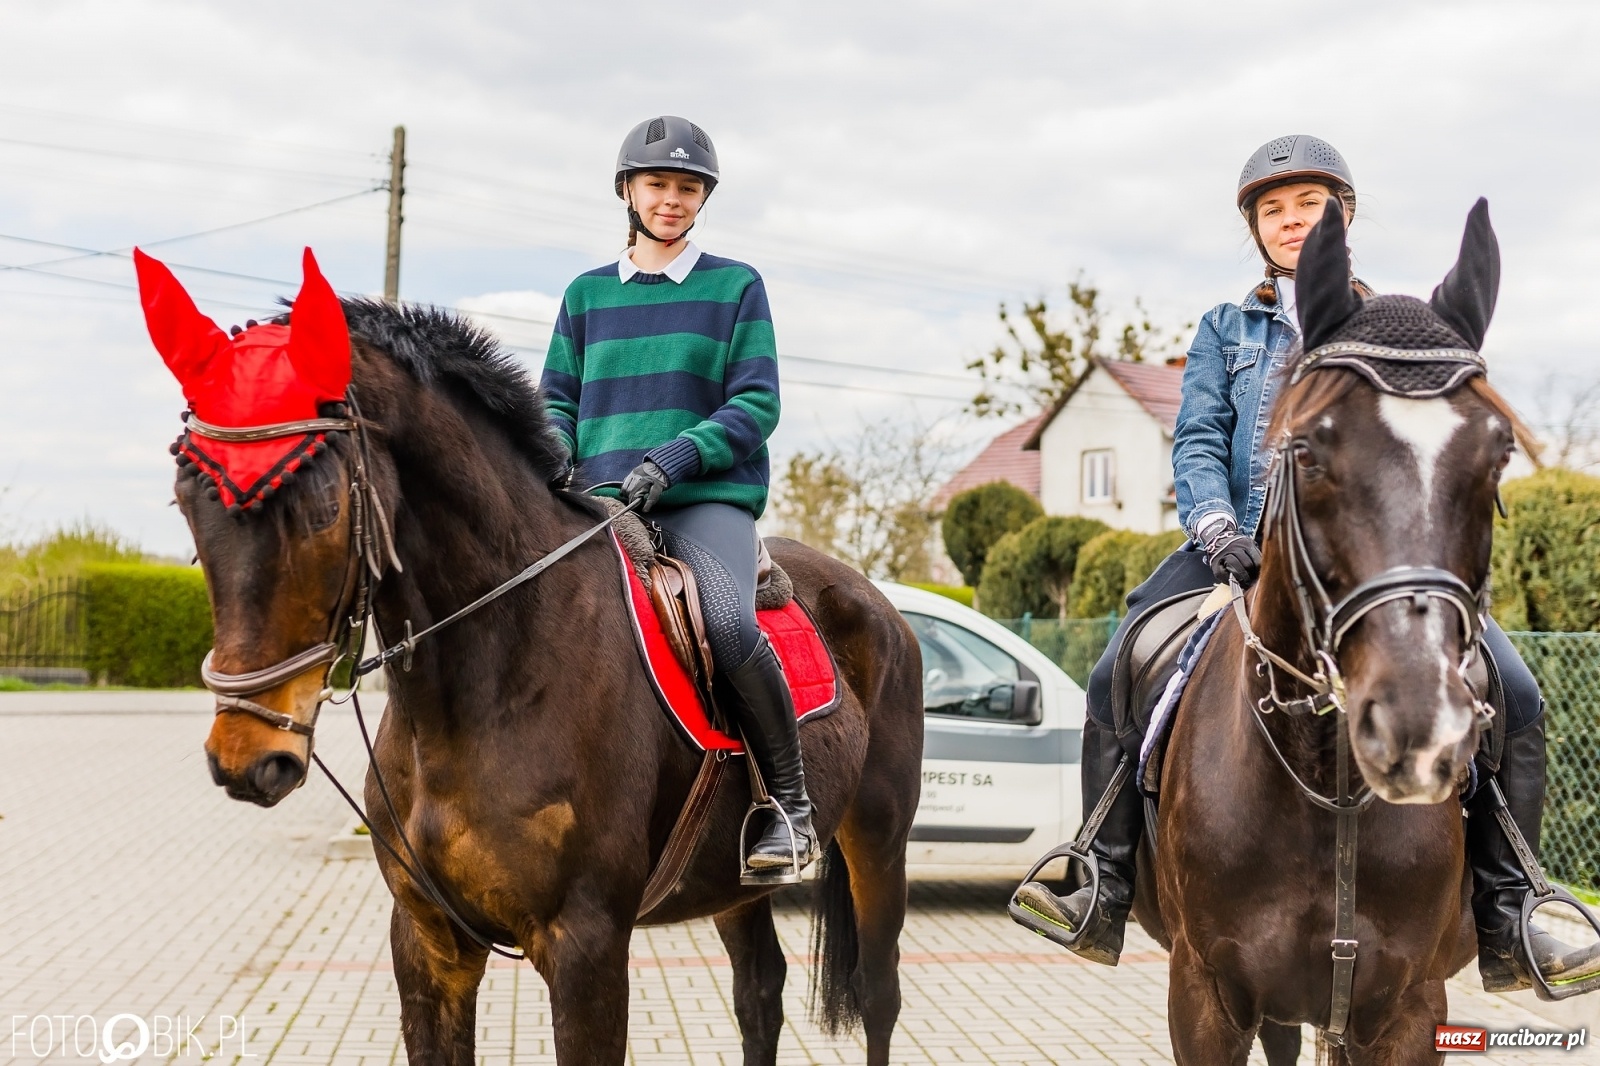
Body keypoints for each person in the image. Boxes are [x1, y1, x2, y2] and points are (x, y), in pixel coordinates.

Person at [1014, 135, 1600, 992]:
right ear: (1255, 227)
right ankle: (1100, 875)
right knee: (1118, 663)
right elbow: (1200, 438)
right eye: (1273, 210)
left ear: (1343, 216)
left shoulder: (1389, 325)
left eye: (1309, 208)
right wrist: (1214, 524)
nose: (1291, 223)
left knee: (1515, 689)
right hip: (1236, 550)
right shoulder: (1226, 328)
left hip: (1364, 558)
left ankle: (1512, 908)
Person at [539, 116, 817, 880]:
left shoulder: (735, 287)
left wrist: (678, 455)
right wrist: (557, 451)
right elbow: (556, 402)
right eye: (657, 184)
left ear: (703, 198)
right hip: (598, 503)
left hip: (702, 501)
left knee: (726, 623)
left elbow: (756, 403)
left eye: (687, 187)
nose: (671, 199)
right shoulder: (587, 294)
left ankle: (789, 809)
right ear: (627, 190)